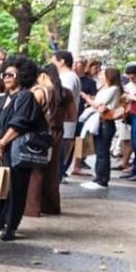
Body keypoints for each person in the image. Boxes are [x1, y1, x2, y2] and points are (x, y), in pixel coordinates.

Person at [0, 56, 43, 241]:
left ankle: (11, 225)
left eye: (10, 74)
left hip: (14, 151)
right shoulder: (0, 99)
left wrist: (2, 142)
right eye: (4, 74)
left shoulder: (25, 97)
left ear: (22, 76)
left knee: (15, 188)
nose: (6, 77)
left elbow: (21, 123)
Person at [25, 63, 71, 216]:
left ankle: (32, 208)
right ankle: (51, 206)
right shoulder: (66, 93)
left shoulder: (39, 92)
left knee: (36, 170)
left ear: (43, 76)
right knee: (52, 171)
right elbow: (71, 116)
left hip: (41, 133)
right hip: (58, 133)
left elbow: (29, 114)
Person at [80, 66, 122, 191]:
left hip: (105, 122)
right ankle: (99, 177)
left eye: (103, 74)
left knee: (102, 152)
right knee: (100, 151)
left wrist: (87, 98)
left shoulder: (113, 89)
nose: (100, 76)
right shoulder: (104, 88)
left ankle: (102, 179)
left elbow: (99, 105)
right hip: (99, 121)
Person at [53, 51, 83, 182]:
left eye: (54, 61)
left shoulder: (68, 78)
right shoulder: (71, 76)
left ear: (62, 62)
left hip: (64, 125)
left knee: (57, 161)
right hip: (66, 126)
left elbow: (63, 96)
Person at [116, 63, 136, 169]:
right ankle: (124, 162)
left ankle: (128, 162)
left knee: (134, 141)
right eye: (129, 75)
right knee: (126, 139)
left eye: (133, 75)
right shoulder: (128, 86)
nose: (131, 77)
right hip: (126, 115)